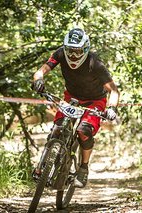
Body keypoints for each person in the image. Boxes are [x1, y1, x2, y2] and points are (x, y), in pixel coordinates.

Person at [31, 28, 120, 188]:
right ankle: (43, 165)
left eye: (77, 51)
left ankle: (83, 168)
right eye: (70, 51)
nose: (73, 55)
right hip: (71, 98)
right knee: (57, 129)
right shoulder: (60, 54)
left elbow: (113, 90)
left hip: (94, 101)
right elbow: (42, 70)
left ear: (85, 49)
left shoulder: (95, 63)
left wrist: (112, 108)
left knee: (83, 131)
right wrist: (38, 80)